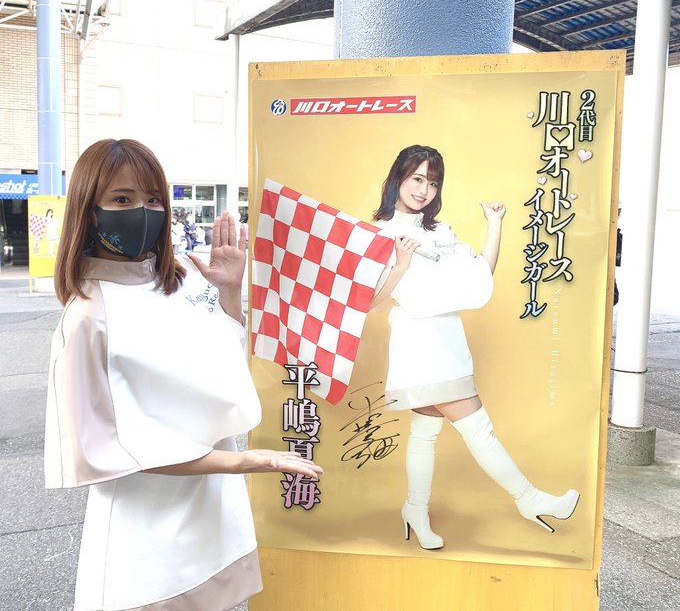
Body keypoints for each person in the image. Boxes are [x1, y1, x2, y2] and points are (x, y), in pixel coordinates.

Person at [44, 139, 322, 610]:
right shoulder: (88, 317)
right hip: (146, 532)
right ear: (89, 212)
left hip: (213, 508)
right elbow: (104, 450)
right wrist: (245, 461)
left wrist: (229, 291)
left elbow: (222, 358)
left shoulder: (183, 278)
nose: (143, 211)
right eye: (122, 199)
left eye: (153, 198)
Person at [370, 144, 579, 550]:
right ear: (398, 178)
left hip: (448, 341)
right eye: (417, 178)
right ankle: (529, 499)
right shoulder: (379, 233)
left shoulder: (440, 231)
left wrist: (494, 224)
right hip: (419, 346)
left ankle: (414, 509)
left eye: (433, 183)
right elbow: (371, 303)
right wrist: (400, 266)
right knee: (477, 428)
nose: (424, 190)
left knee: (426, 431)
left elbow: (479, 277)